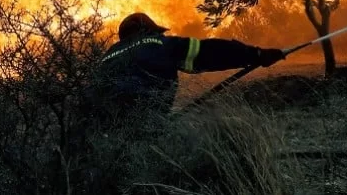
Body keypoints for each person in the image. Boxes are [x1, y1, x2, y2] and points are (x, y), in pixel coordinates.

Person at [85, 12, 286, 118]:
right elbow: (210, 53)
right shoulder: (161, 43)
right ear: (150, 30)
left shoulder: (109, 53)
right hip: (142, 117)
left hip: (97, 121)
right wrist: (256, 54)